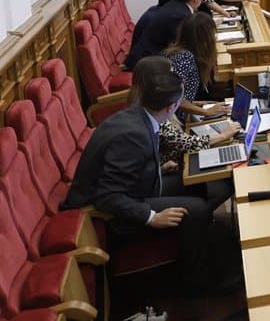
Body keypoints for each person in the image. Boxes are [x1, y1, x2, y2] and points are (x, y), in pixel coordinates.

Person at [63, 59, 233, 293]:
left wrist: (158, 168)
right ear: (171, 107)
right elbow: (108, 196)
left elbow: (128, 170)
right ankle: (199, 283)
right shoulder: (134, 136)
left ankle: (207, 251)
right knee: (196, 209)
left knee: (200, 185)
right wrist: (151, 216)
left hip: (136, 188)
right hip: (109, 215)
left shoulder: (140, 115)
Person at [132, 56, 237, 212]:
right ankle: (201, 214)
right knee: (223, 184)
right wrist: (223, 135)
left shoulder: (148, 103)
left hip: (164, 168)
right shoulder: (153, 112)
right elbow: (185, 142)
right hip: (155, 181)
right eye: (172, 75)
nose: (176, 78)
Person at [125, 0, 203, 68]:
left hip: (154, 54)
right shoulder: (179, 14)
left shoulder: (176, 5)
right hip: (149, 61)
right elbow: (186, 44)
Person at [163, 11, 225, 120]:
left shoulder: (186, 53)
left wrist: (198, 104)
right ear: (205, 38)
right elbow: (173, 99)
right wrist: (206, 111)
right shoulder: (184, 58)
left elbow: (184, 97)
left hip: (182, 115)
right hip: (174, 121)